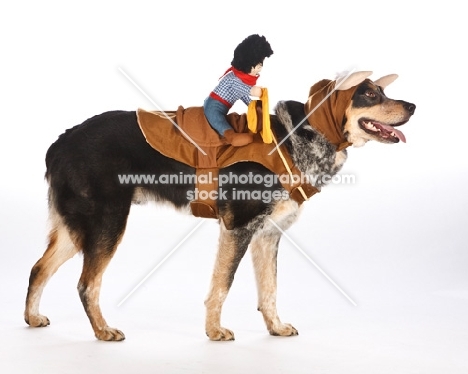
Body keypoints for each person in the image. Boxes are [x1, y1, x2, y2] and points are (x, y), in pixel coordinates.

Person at [203, 34, 273, 146]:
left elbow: (241, 94)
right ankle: (231, 136)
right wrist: (256, 91)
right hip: (213, 107)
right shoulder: (235, 79)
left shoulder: (239, 77)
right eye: (257, 65)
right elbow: (246, 90)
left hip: (221, 105)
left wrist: (252, 105)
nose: (260, 68)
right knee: (219, 120)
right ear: (247, 64)